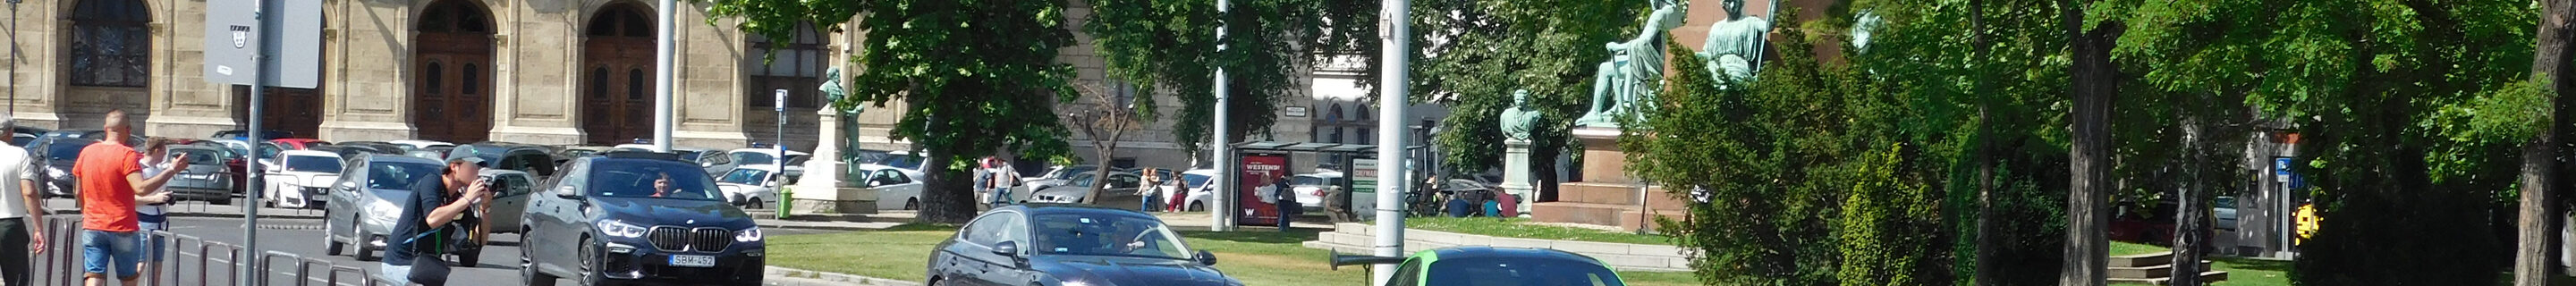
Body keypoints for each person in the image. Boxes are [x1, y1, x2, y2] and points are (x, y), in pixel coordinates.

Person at [74, 110, 182, 286]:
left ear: (105, 128)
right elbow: (140, 188)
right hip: (122, 225)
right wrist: (171, 170)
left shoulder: (87, 152)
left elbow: (78, 190)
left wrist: (85, 212)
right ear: (129, 129)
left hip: (93, 224)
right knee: (128, 279)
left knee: (94, 275)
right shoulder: (127, 154)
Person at [379, 151, 495, 285]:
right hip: (402, 262)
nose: (476, 173)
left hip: (428, 265)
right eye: (471, 167)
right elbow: (432, 219)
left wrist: (485, 208)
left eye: (477, 169)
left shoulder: (457, 199)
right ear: (454, 167)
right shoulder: (432, 181)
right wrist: (468, 199)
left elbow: (480, 239)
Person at [132, 138, 188, 283]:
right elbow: (129, 199)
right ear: (156, 150)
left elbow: (161, 191)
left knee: (157, 267)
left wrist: (167, 197)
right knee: (140, 264)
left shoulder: (160, 169)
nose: (165, 154)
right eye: (164, 150)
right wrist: (154, 199)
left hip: (160, 223)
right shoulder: (138, 169)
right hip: (142, 224)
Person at [0, 116, 43, 286]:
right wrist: (38, 228)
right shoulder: (19, 154)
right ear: (10, 133)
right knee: (16, 280)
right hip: (10, 224)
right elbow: (29, 191)